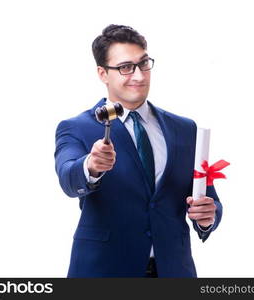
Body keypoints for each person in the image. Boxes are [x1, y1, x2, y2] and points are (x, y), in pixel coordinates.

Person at [54, 24, 222, 278]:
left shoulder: (184, 128)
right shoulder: (77, 127)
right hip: (104, 271)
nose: (139, 76)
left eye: (143, 64)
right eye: (125, 67)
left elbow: (207, 198)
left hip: (173, 271)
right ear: (102, 73)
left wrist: (208, 216)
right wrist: (91, 165)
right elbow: (68, 177)